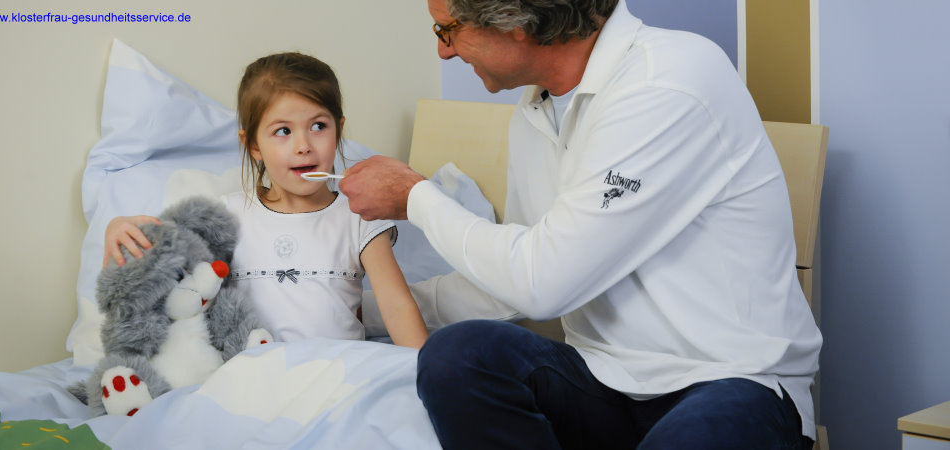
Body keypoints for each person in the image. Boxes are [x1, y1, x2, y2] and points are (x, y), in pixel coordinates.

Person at [338, 0, 822, 448]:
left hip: (729, 382)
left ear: (515, 23)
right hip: (603, 380)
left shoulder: (669, 80)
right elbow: (512, 278)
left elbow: (543, 284)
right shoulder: (537, 111)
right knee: (456, 355)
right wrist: (361, 310)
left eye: (449, 29)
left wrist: (416, 197)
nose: (443, 51)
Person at [103, 52, 428, 349]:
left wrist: (424, 374)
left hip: (336, 376)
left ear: (338, 131)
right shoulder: (226, 217)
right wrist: (119, 230)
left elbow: (397, 307)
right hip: (253, 378)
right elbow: (163, 278)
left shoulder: (360, 216)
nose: (303, 145)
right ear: (253, 146)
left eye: (318, 126)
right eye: (283, 131)